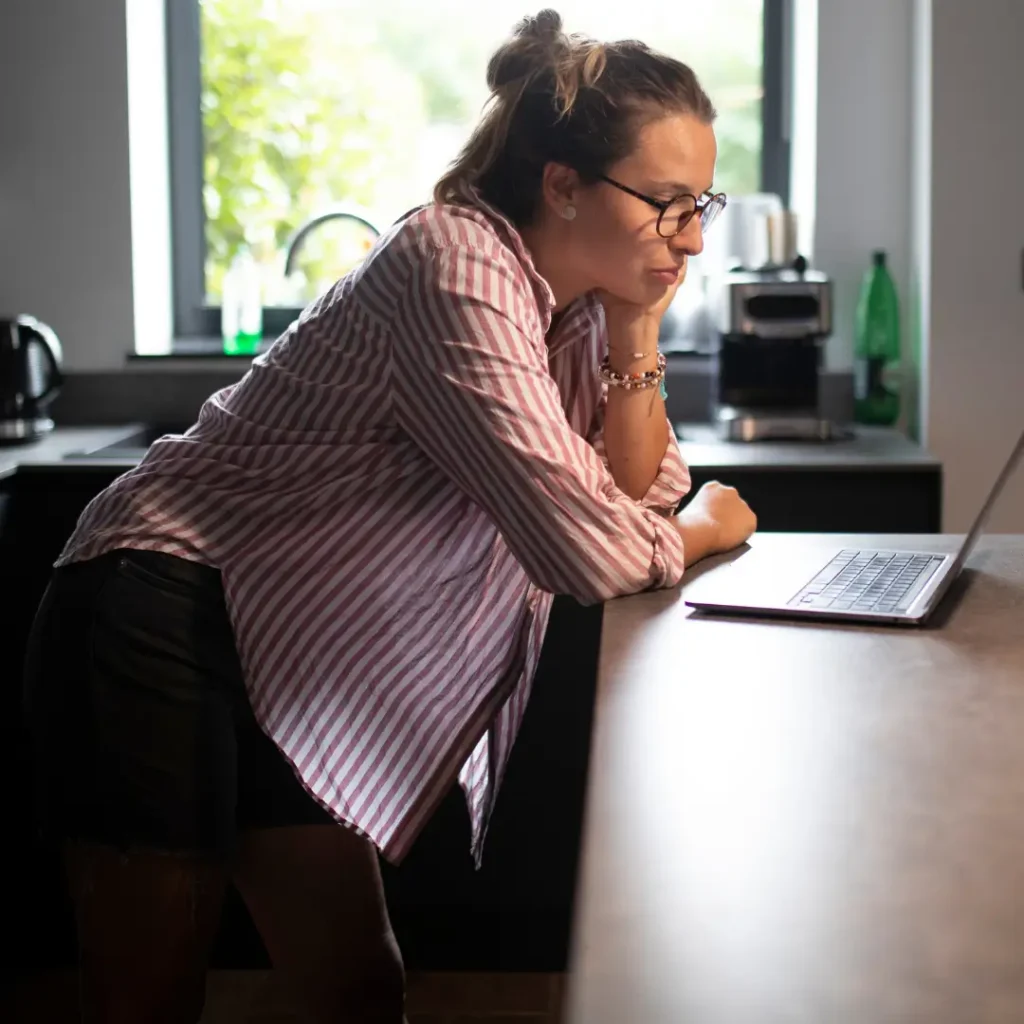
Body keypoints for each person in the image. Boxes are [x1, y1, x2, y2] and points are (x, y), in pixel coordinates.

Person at [22, 9, 756, 1023]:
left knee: (356, 985)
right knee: (146, 999)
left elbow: (631, 498)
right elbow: (591, 549)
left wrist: (634, 316)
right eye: (667, 204)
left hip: (274, 631)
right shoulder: (454, 264)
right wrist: (713, 525)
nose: (693, 237)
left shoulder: (577, 307)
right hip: (150, 613)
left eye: (701, 204)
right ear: (561, 184)